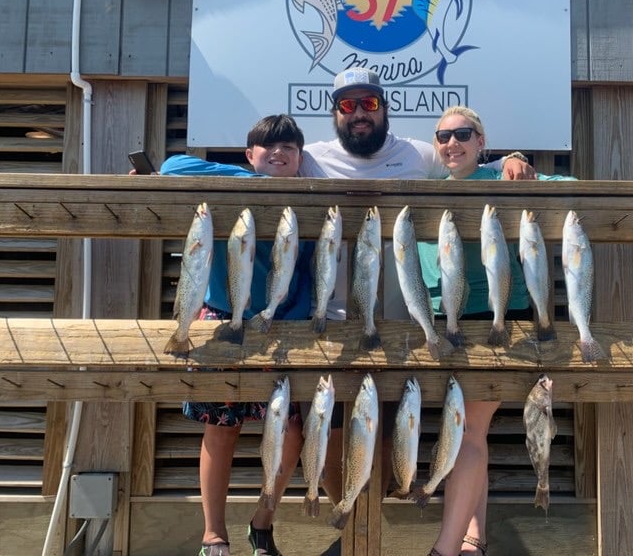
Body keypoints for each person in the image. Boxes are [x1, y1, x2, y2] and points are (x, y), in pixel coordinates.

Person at [299, 70, 538, 553]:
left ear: (384, 107)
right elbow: (257, 169)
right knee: (328, 441)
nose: (359, 113)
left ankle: (425, 535)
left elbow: (472, 166)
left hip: (403, 324)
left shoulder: (419, 154)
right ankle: (349, 528)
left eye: (367, 102)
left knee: (399, 438)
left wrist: (513, 159)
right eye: (347, 106)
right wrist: (159, 174)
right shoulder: (310, 159)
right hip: (327, 323)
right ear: (334, 113)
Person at [420, 106, 576, 556]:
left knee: (467, 431)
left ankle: (446, 549)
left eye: (463, 134)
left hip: (496, 322)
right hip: (443, 324)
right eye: (443, 136)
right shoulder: (426, 191)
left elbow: (571, 190)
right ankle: (475, 538)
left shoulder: (502, 179)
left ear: (480, 142)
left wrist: (519, 162)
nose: (452, 143)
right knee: (472, 432)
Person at [159, 115, 313, 556]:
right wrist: (246, 178)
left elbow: (305, 276)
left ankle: (262, 522)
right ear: (249, 154)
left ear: (301, 159)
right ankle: (213, 535)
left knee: (290, 432)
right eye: (268, 147)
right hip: (221, 319)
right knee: (220, 431)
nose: (279, 153)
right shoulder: (234, 182)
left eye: (289, 148)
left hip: (281, 327)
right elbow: (173, 168)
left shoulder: (309, 202)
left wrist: (290, 321)